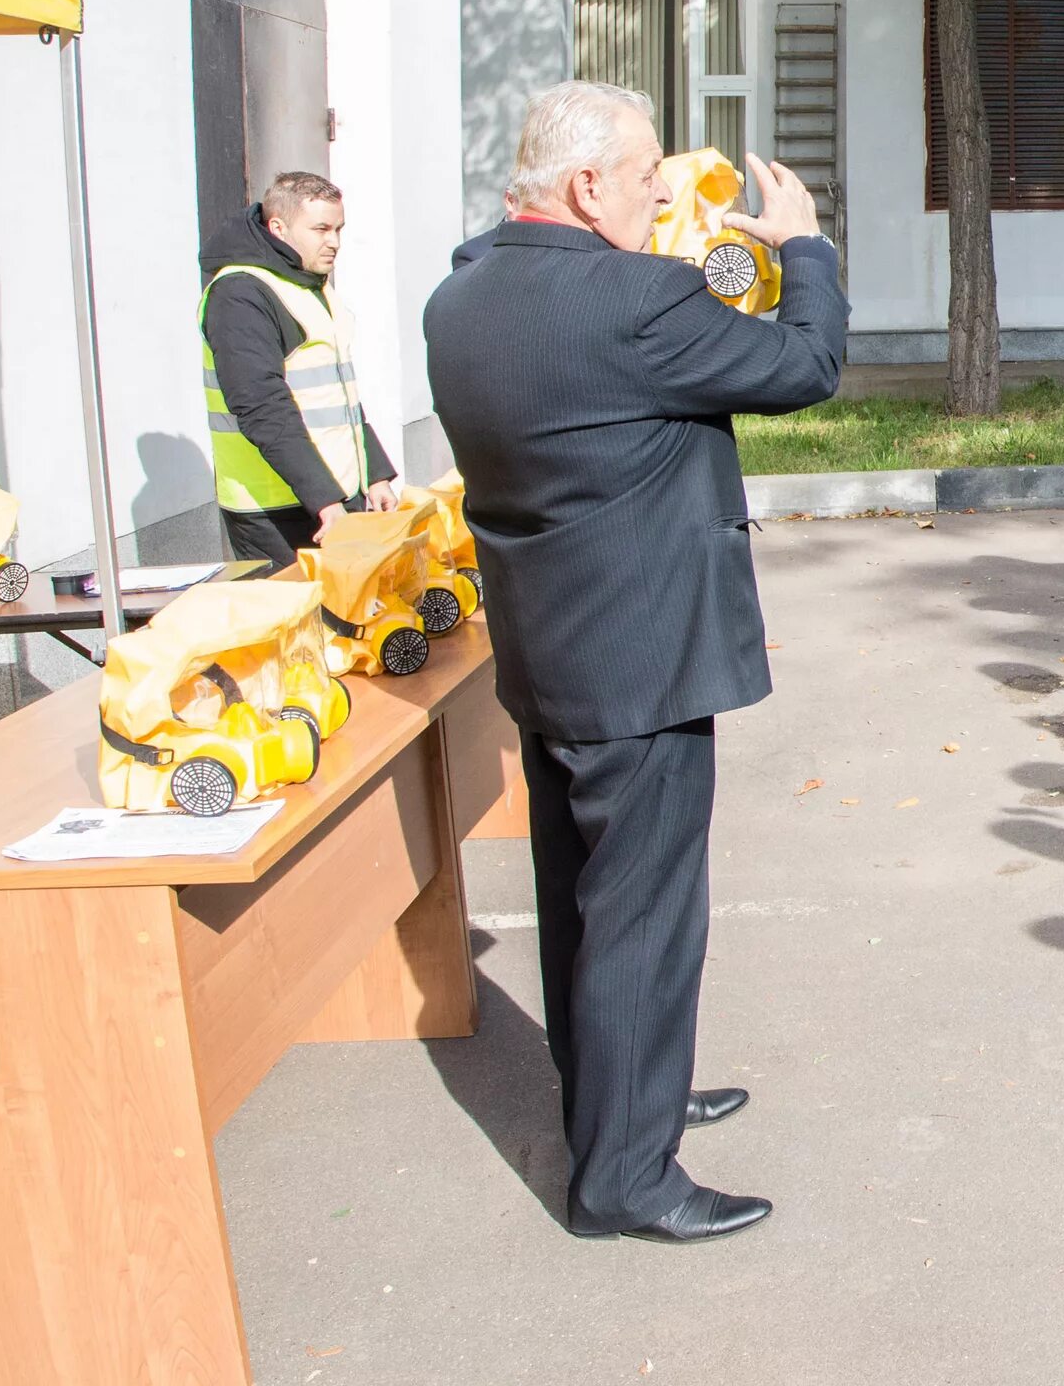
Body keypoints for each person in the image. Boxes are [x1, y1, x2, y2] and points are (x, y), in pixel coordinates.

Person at [424, 81, 845, 1244]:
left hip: (551, 650)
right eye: (649, 170)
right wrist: (802, 245)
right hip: (644, 656)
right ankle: (625, 1175)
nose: (666, 188)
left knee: (581, 900)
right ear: (585, 186)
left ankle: (623, 1101)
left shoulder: (458, 299)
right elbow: (806, 362)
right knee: (646, 914)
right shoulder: (633, 301)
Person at [201, 171, 397, 568]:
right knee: (303, 626)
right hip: (276, 508)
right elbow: (261, 406)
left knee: (354, 621)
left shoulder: (308, 282)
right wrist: (324, 500)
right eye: (321, 228)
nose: (335, 242)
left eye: (339, 228)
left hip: (332, 495)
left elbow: (338, 394)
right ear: (279, 227)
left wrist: (373, 472)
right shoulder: (240, 293)